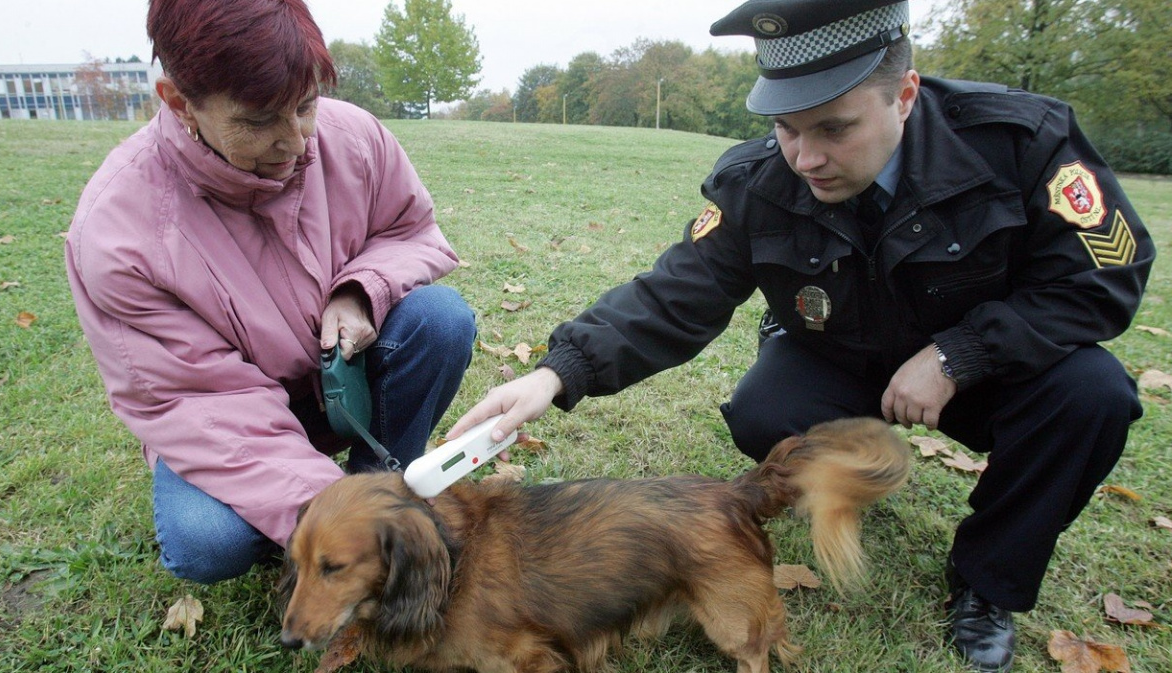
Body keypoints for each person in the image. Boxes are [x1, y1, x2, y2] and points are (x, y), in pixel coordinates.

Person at [448, 0, 1155, 670]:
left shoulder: (1020, 142)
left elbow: (1104, 277)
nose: (804, 157)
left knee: (1091, 395)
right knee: (763, 409)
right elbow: (674, 293)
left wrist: (959, 353)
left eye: (833, 128)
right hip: (838, 356)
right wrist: (556, 372)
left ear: (904, 94)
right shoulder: (759, 182)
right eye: (786, 128)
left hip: (990, 372)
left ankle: (987, 584)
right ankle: (850, 471)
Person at [66, 0, 476, 585]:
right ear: (179, 102)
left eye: (305, 106)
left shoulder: (351, 135)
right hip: (220, 418)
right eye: (258, 121)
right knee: (208, 544)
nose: (295, 140)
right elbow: (196, 400)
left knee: (440, 318)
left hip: (339, 385)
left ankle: (383, 483)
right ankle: (333, 518)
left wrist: (361, 291)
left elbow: (410, 231)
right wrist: (343, 522)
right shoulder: (120, 230)